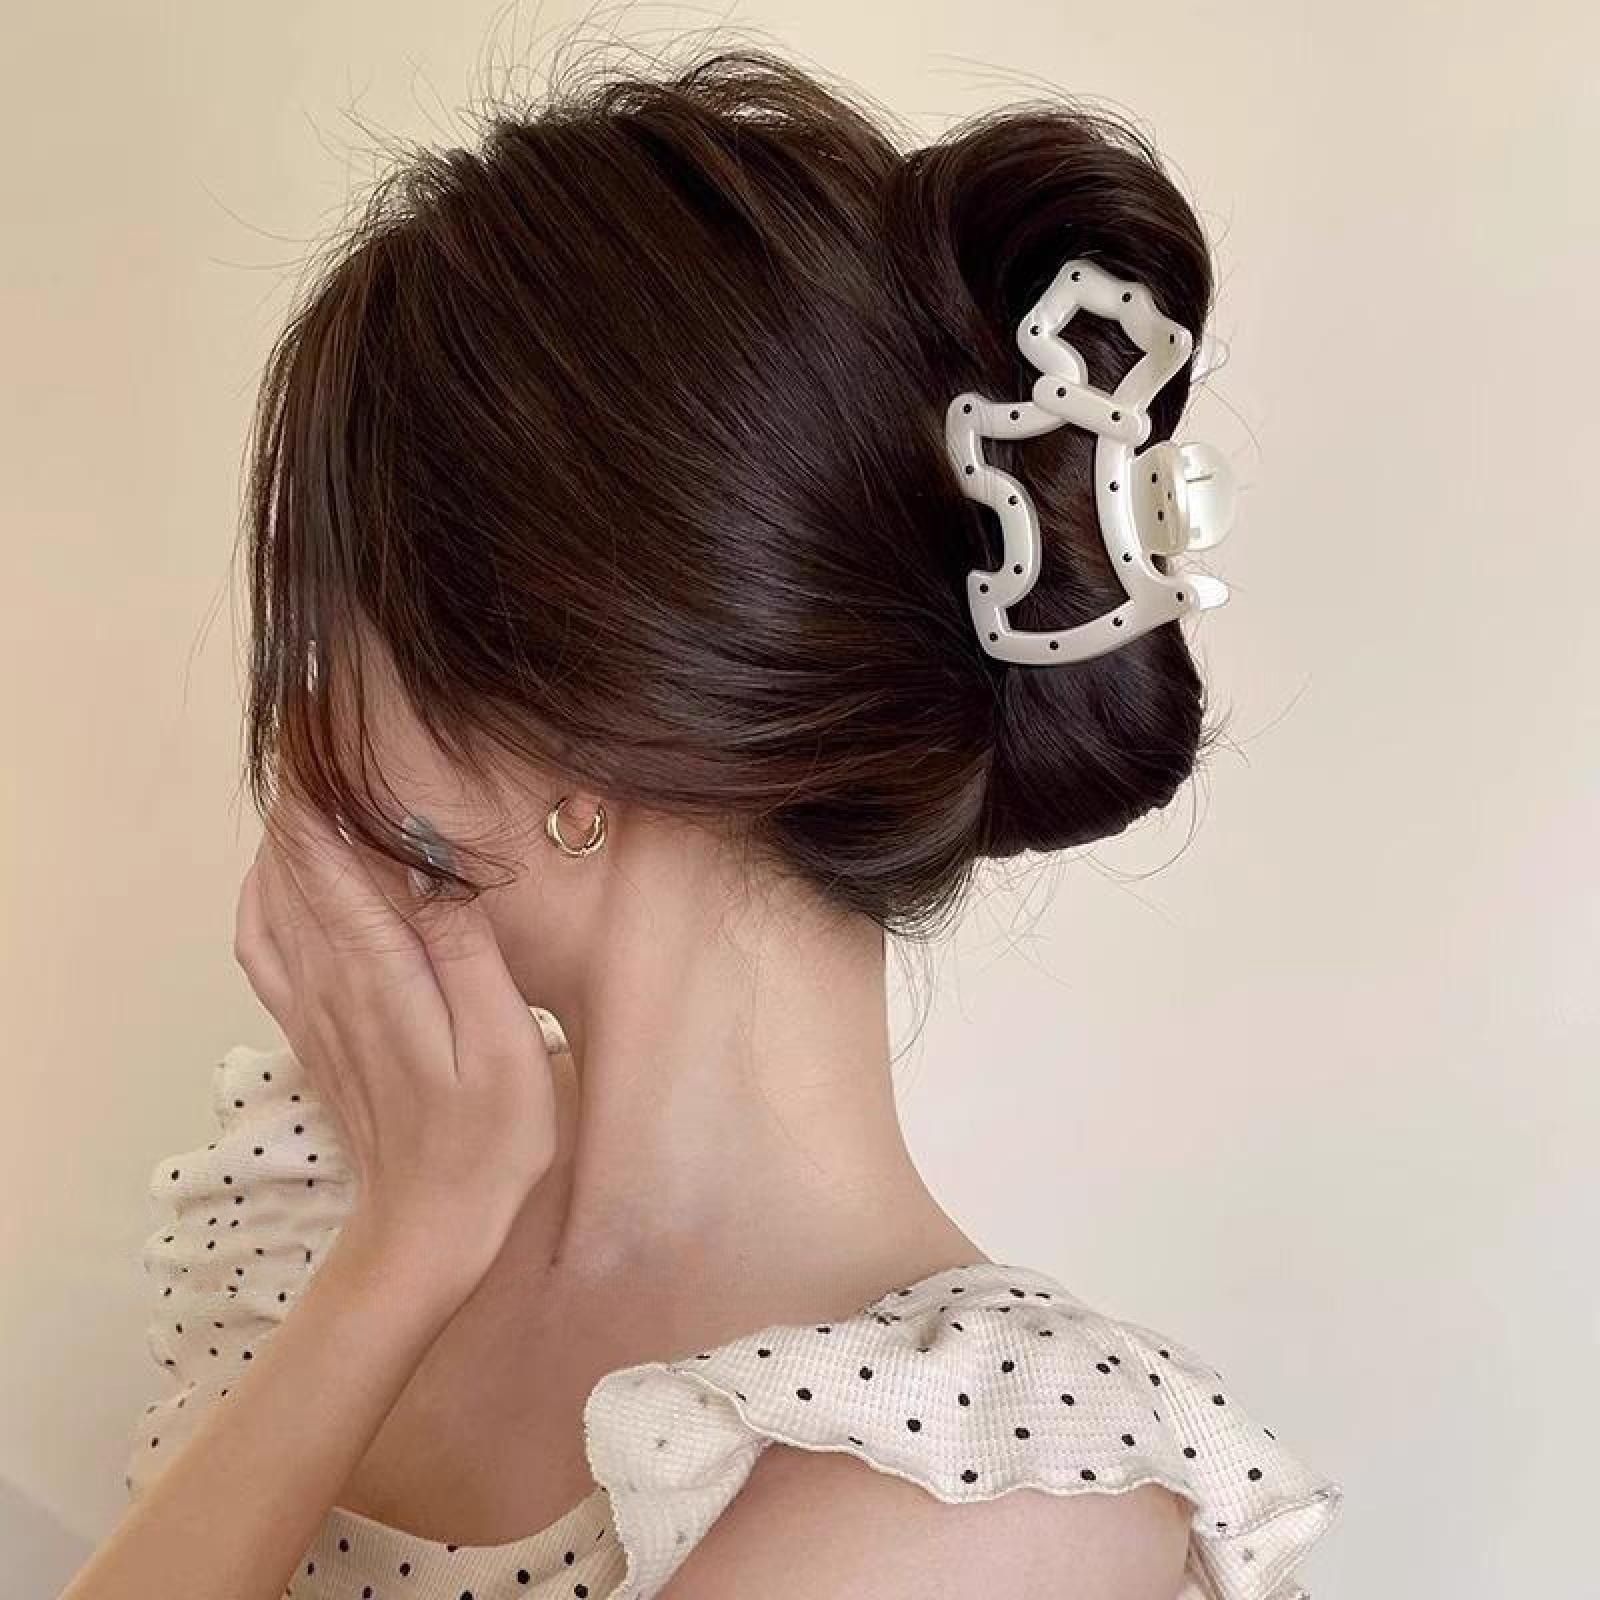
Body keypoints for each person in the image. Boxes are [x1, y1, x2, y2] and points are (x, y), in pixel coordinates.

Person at [63, 44, 1341, 1600]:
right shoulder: (328, 1188)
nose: (306, 724)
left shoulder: (988, 1497)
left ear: (576, 712)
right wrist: (400, 1255)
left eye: (338, 623)